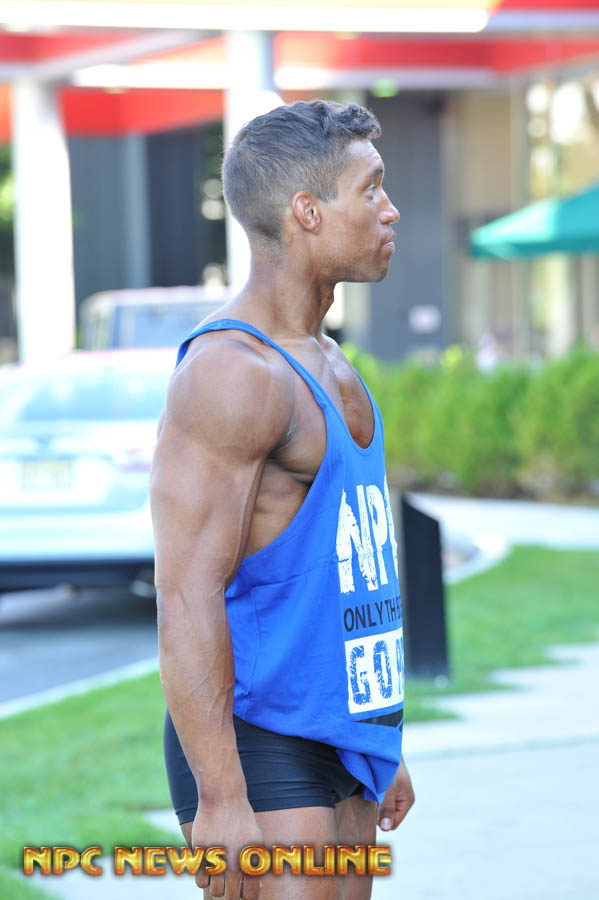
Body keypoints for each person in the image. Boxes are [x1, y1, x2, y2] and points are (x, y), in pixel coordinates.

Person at [150, 99, 415, 900]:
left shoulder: (329, 360)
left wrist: (380, 735)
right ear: (307, 211)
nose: (389, 209)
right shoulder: (233, 373)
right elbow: (185, 592)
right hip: (256, 736)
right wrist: (222, 796)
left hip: (341, 729)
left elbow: (337, 570)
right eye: (369, 188)